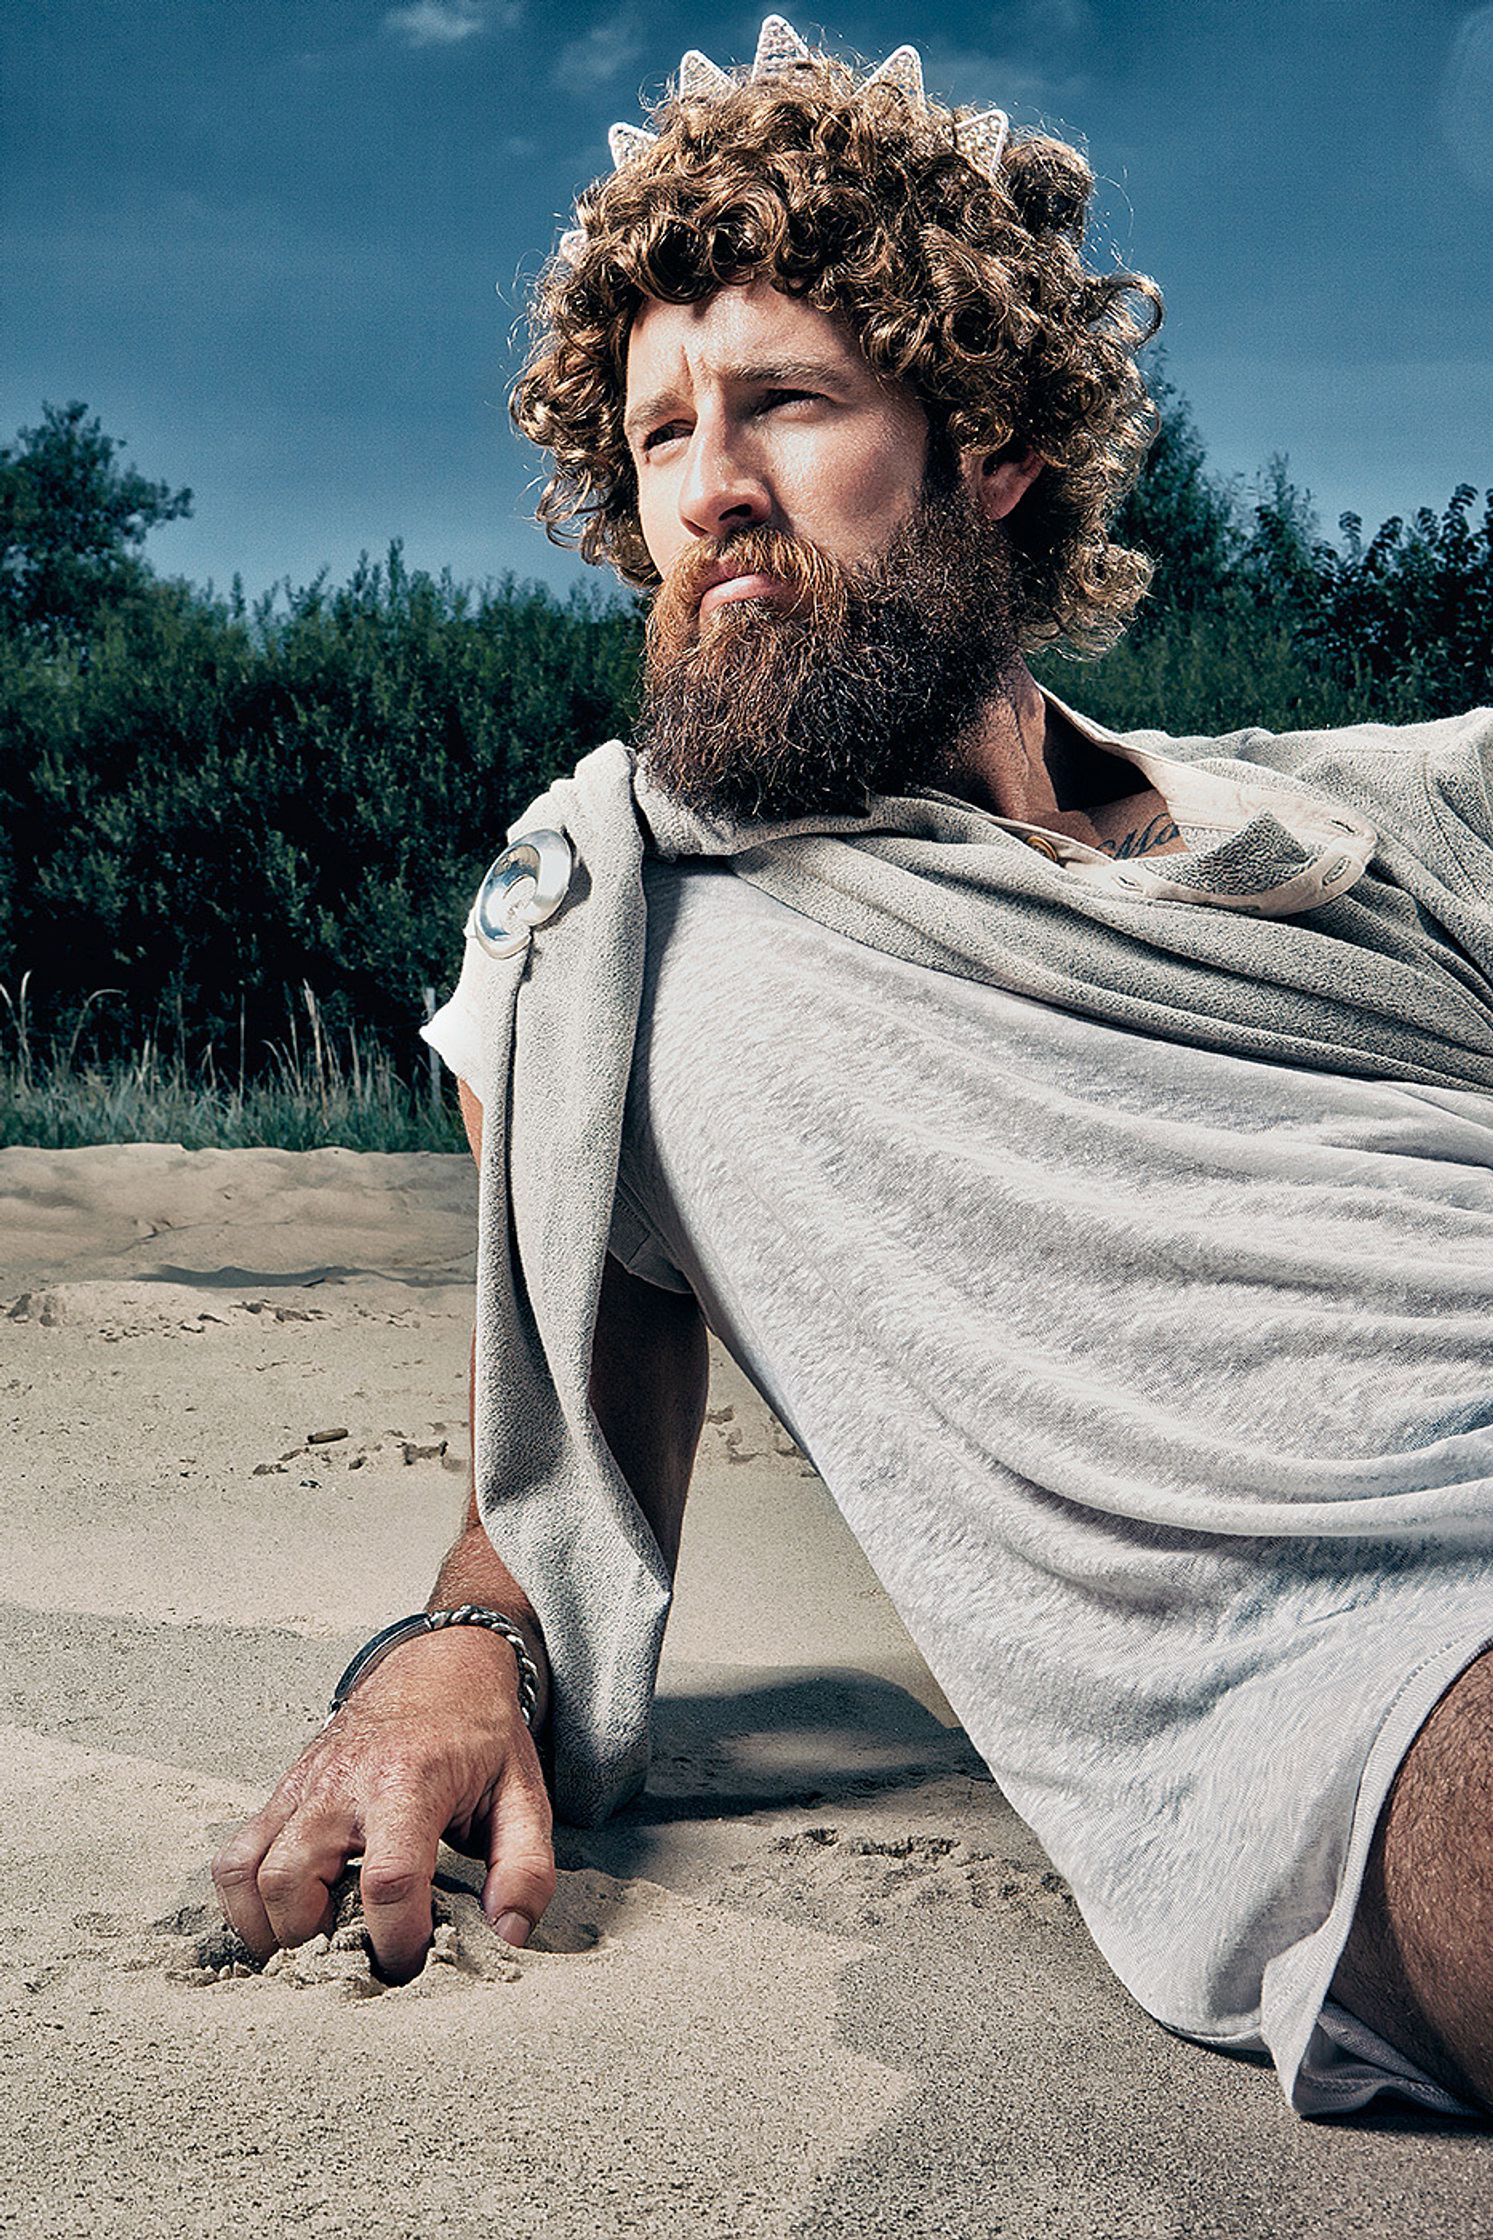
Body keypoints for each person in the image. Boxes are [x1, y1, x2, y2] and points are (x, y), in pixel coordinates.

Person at [213, 18, 1493, 2119]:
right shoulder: (609, 928)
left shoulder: (1356, 821)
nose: (706, 488)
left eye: (786, 402)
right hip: (1385, 1676)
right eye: (658, 436)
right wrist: (450, 1656)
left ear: (989, 447)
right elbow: (549, 1461)